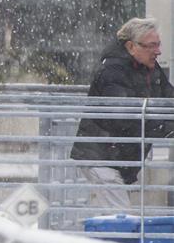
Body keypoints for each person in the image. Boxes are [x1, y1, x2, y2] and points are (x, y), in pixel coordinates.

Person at [70, 17, 174, 208]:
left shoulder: (147, 67)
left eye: (158, 45)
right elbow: (125, 117)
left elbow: (168, 98)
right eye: (151, 46)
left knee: (117, 220)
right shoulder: (113, 71)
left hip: (115, 157)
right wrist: (164, 127)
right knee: (122, 221)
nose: (158, 51)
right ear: (131, 46)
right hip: (102, 157)